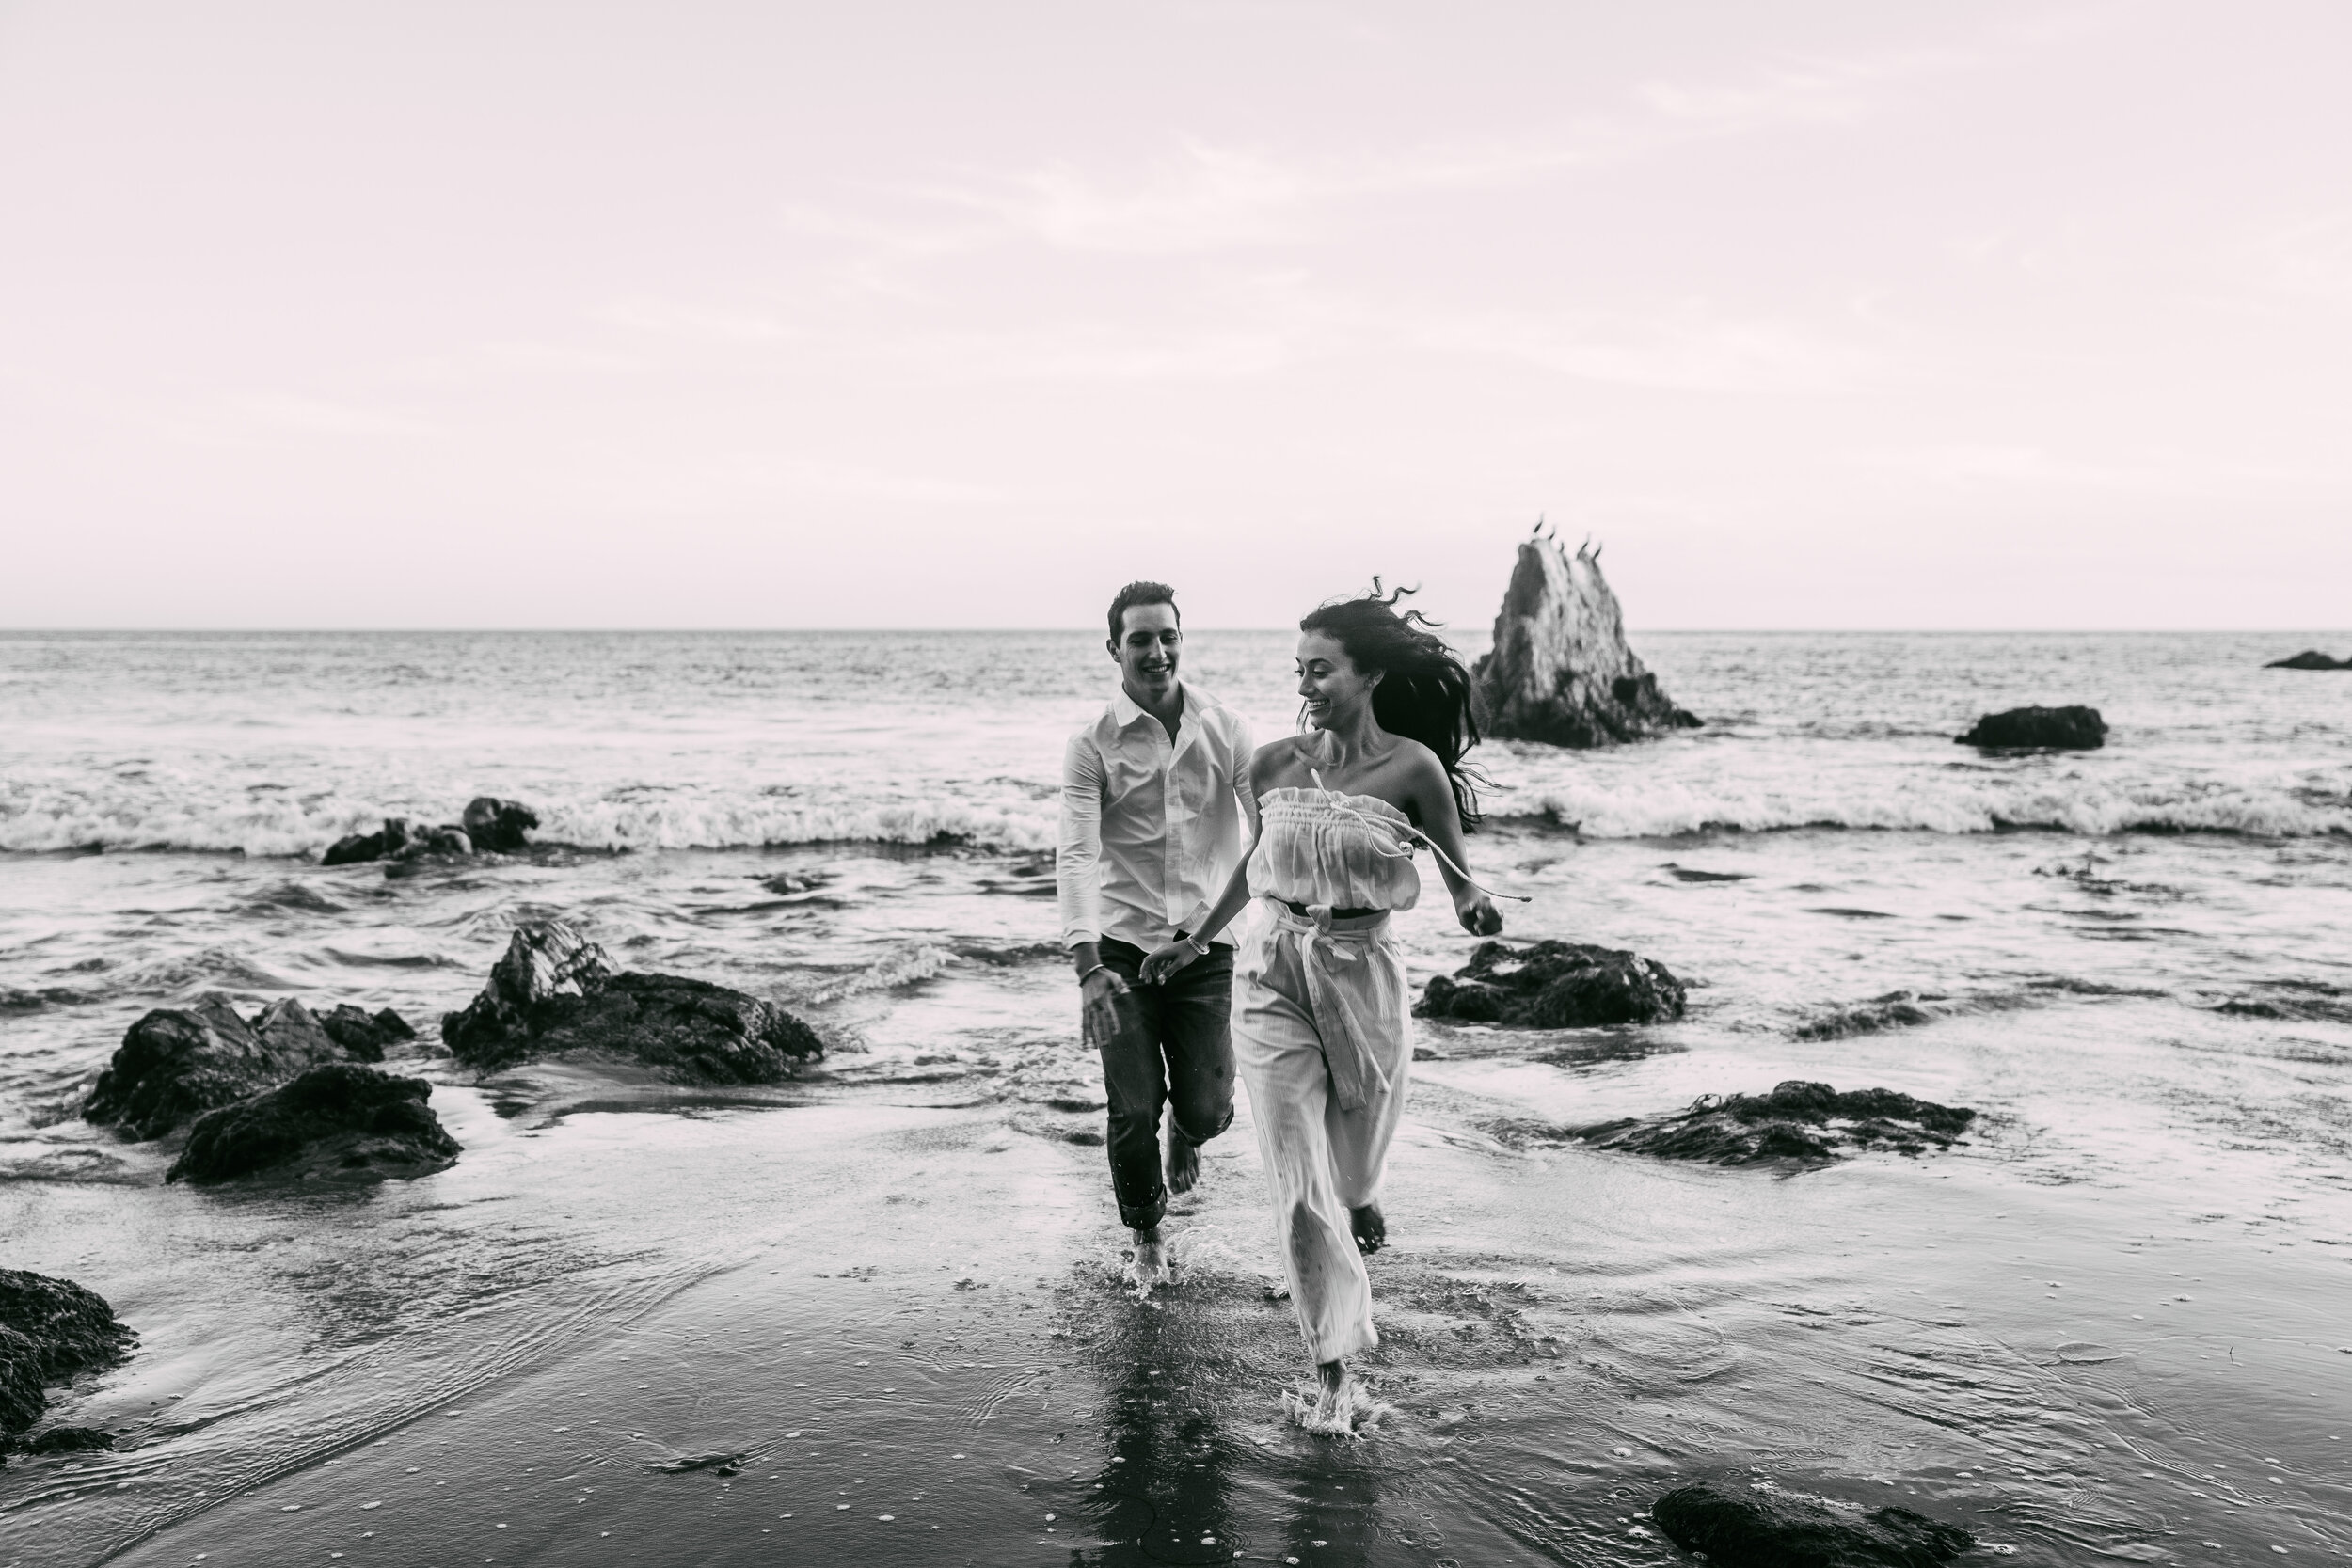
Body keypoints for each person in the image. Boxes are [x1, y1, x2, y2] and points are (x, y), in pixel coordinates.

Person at [1139, 584, 1515, 1431]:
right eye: (1299, 668)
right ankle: (1335, 1370)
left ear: (1371, 672)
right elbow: (1253, 864)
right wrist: (1198, 940)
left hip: (1364, 973)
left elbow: (1460, 880)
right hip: (1273, 973)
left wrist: (1476, 909)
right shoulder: (1272, 764)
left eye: (1323, 669)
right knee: (1298, 1182)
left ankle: (1365, 1187)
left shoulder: (1412, 768)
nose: (1307, 684)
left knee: (1351, 1162)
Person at [1058, 580, 1255, 1284]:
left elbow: (1267, 835)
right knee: (1132, 1105)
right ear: (1114, 648)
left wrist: (1206, 936)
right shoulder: (1092, 745)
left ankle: (1190, 1131)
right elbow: (1078, 853)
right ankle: (1146, 1236)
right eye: (1140, 638)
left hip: (1205, 947)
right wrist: (1087, 964)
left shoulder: (1226, 729)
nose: (1156, 649)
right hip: (1120, 950)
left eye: (1167, 634)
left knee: (1210, 1104)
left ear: (1182, 638)